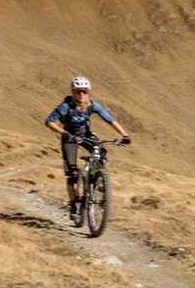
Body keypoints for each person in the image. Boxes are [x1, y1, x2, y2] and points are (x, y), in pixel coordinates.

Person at [44, 77, 131, 222]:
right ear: (73, 92)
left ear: (88, 92)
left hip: (86, 135)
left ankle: (99, 178)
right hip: (69, 138)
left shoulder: (92, 105)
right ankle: (73, 205)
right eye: (78, 92)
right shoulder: (66, 106)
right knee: (72, 173)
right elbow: (49, 122)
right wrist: (65, 133)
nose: (81, 95)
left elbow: (110, 120)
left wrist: (125, 135)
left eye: (84, 91)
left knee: (101, 150)